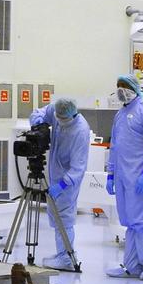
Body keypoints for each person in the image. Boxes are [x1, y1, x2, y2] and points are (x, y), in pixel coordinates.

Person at [105, 73, 143, 280]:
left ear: (134, 87)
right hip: (123, 177)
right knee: (130, 222)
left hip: (141, 176)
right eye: (118, 86)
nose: (121, 90)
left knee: (141, 221)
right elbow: (115, 146)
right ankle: (132, 266)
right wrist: (111, 173)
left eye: (124, 86)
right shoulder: (120, 115)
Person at [28, 96, 90, 271]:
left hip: (66, 182)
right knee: (56, 218)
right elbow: (38, 112)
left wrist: (61, 185)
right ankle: (62, 254)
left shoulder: (80, 131)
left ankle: (67, 258)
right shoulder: (56, 110)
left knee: (64, 218)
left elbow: (78, 167)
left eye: (63, 119)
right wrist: (38, 123)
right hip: (55, 173)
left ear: (72, 115)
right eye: (58, 117)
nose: (59, 121)